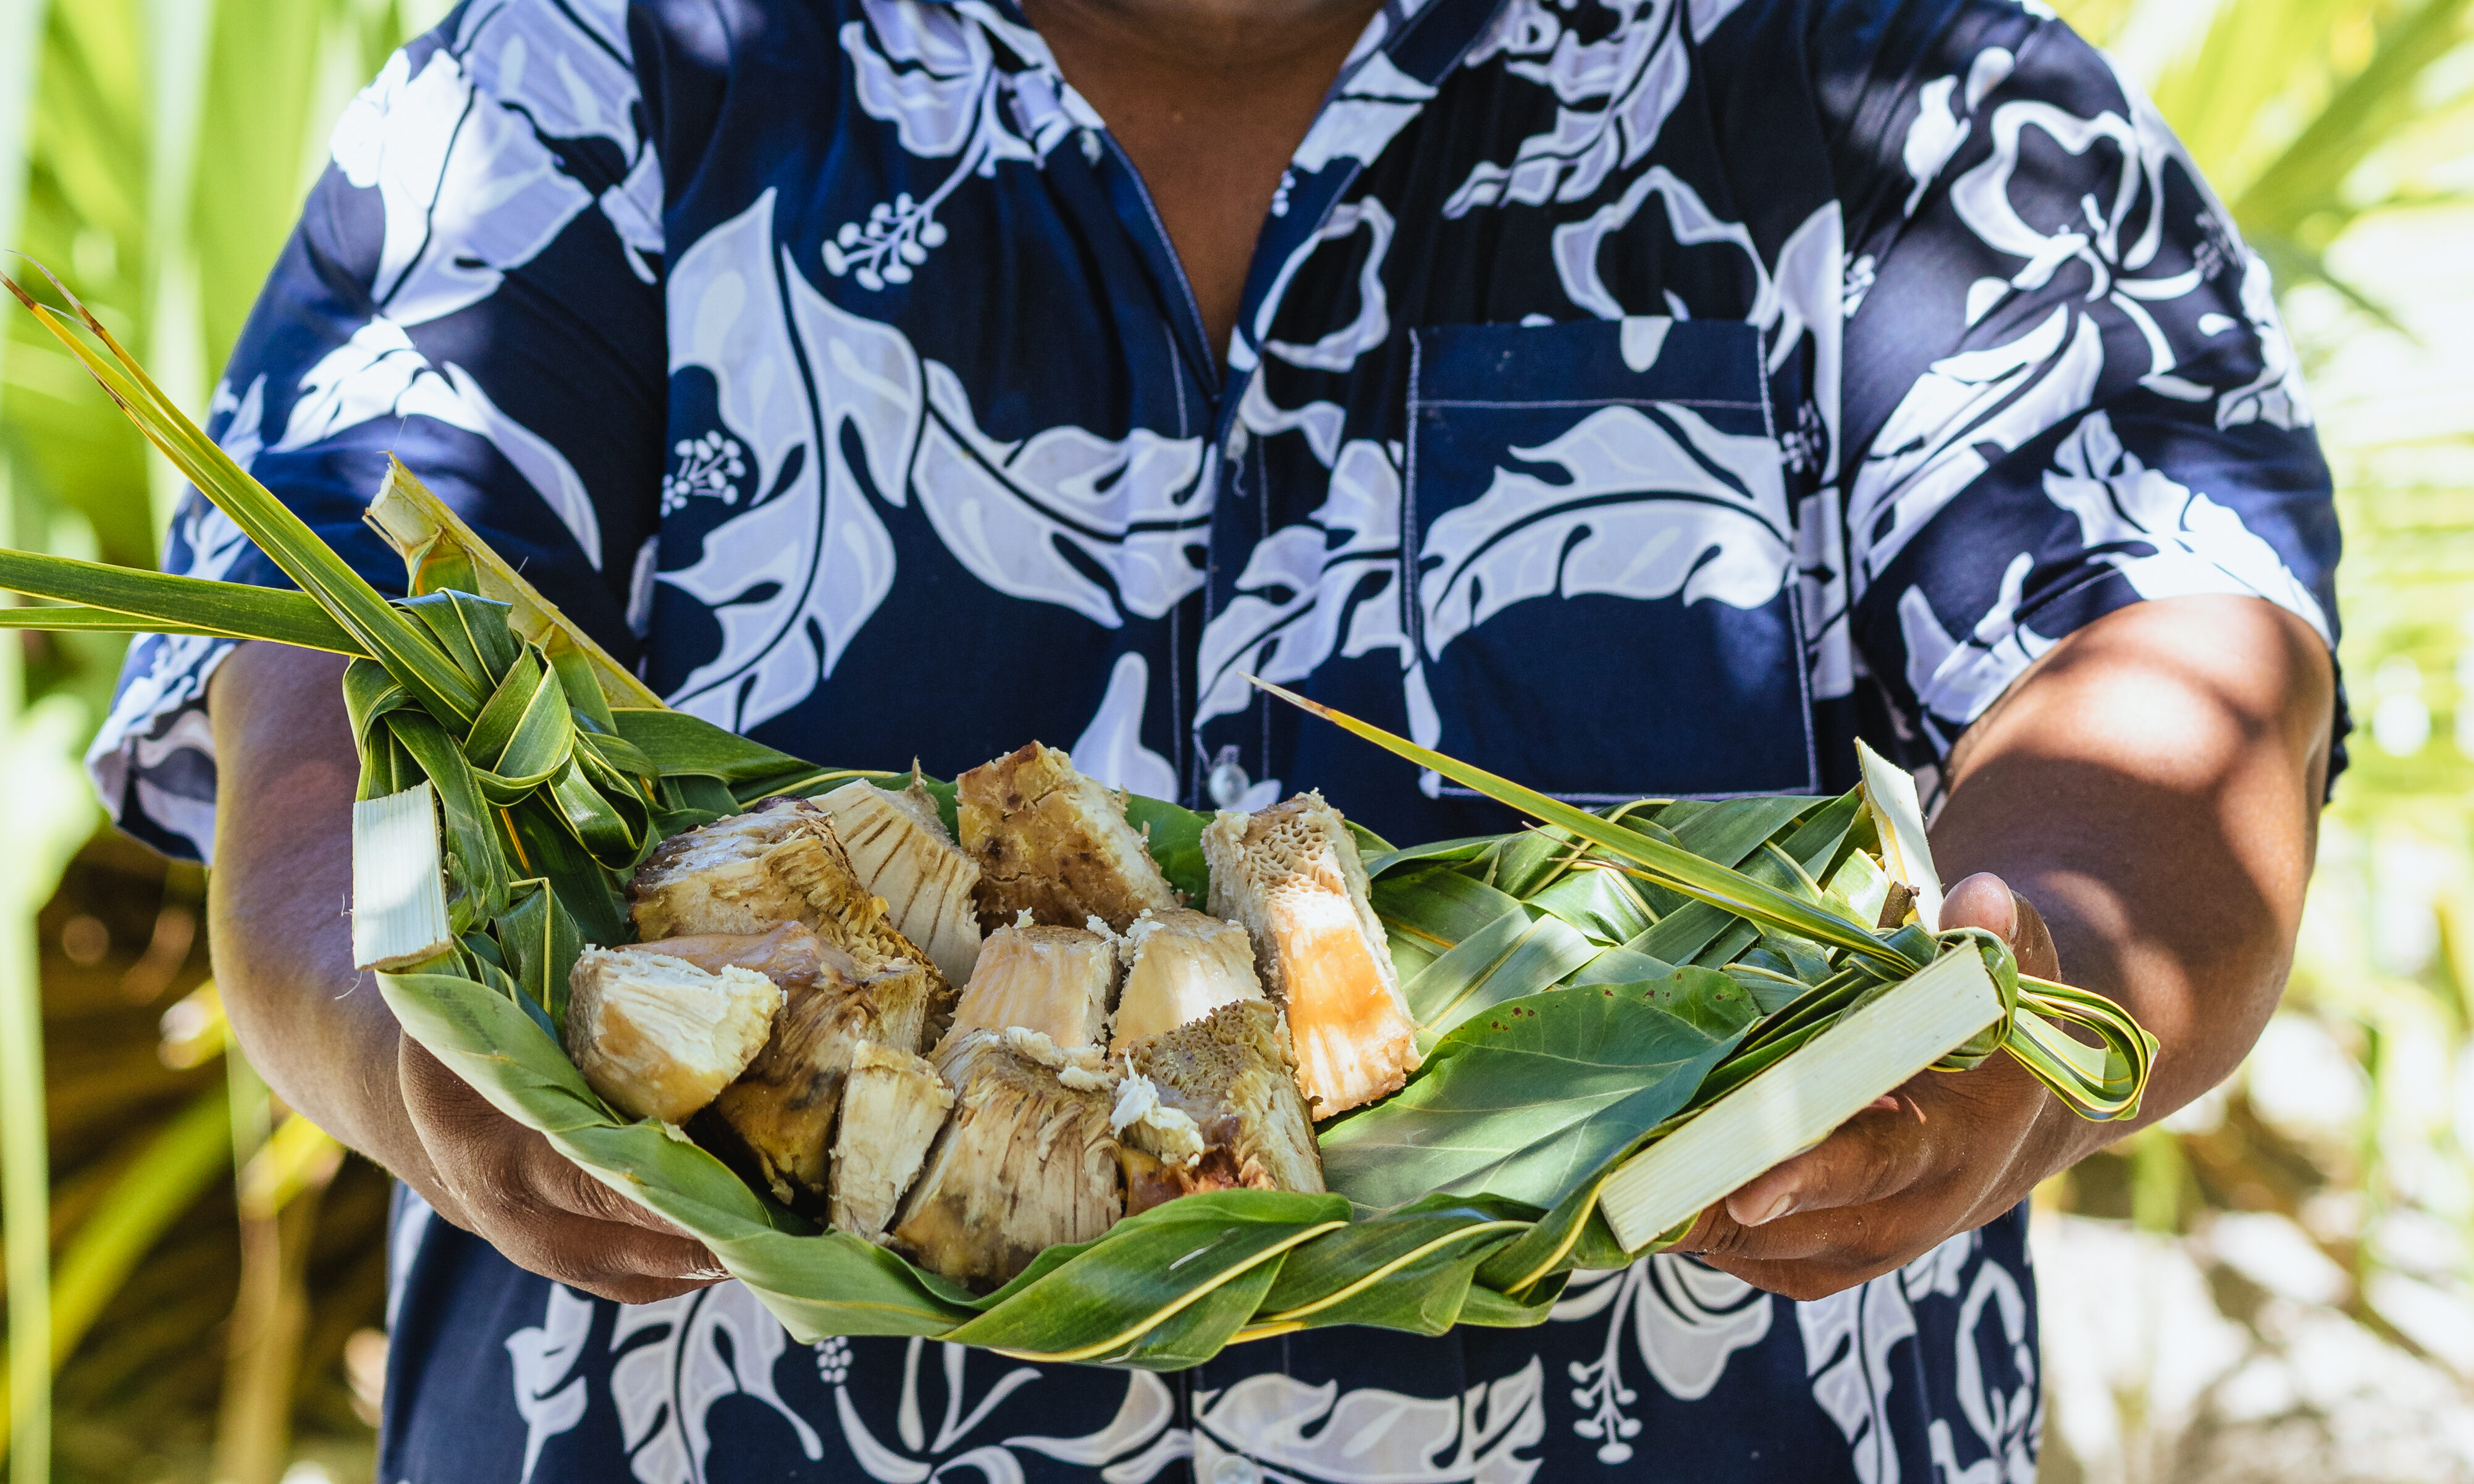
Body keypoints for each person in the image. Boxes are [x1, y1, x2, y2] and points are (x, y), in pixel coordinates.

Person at [89, 0, 2342, 1475]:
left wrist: (2011, 999)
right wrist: (406, 1036)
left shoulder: (1903, 94)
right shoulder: (595, 69)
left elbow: (2173, 659)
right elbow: (332, 660)